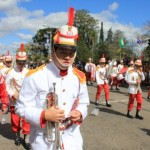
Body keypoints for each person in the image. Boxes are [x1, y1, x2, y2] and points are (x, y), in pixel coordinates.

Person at [15, 7, 89, 150]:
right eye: (62, 52)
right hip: (44, 141)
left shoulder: (79, 76)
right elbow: (21, 108)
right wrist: (44, 115)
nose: (67, 57)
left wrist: (79, 113)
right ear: (54, 51)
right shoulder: (35, 76)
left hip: (72, 140)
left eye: (71, 52)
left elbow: (84, 103)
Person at [5, 44, 31, 149]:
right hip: (14, 101)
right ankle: (16, 136)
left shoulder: (29, 72)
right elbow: (6, 86)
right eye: (20, 63)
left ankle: (26, 139)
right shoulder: (10, 72)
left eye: (23, 63)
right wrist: (12, 94)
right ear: (16, 61)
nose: (21, 65)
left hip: (26, 101)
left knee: (26, 120)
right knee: (15, 120)